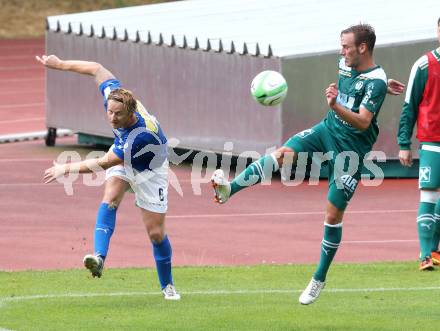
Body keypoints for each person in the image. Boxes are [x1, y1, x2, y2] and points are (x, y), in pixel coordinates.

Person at [211, 24, 404, 305]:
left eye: (347, 46)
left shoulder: (375, 81)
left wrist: (339, 104)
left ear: (363, 48)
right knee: (283, 153)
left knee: (332, 214)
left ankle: (318, 278)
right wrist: (382, 88)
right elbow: (363, 83)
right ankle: (230, 189)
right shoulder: (351, 67)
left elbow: (363, 122)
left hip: (350, 149)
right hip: (326, 130)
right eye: (342, 46)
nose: (342, 51)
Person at [37, 54, 180, 300]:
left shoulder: (141, 135)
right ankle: (99, 258)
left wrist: (65, 168)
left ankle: (168, 286)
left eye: (117, 115)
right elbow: (97, 68)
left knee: (156, 234)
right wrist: (60, 64)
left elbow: (103, 163)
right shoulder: (115, 99)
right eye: (110, 112)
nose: (112, 118)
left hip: (150, 170)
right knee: (110, 198)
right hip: (125, 160)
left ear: (131, 113)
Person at [397, 18, 440, 271]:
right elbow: (409, 106)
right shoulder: (424, 65)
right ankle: (425, 254)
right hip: (433, 141)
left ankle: (434, 250)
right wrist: (404, 143)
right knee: (429, 193)